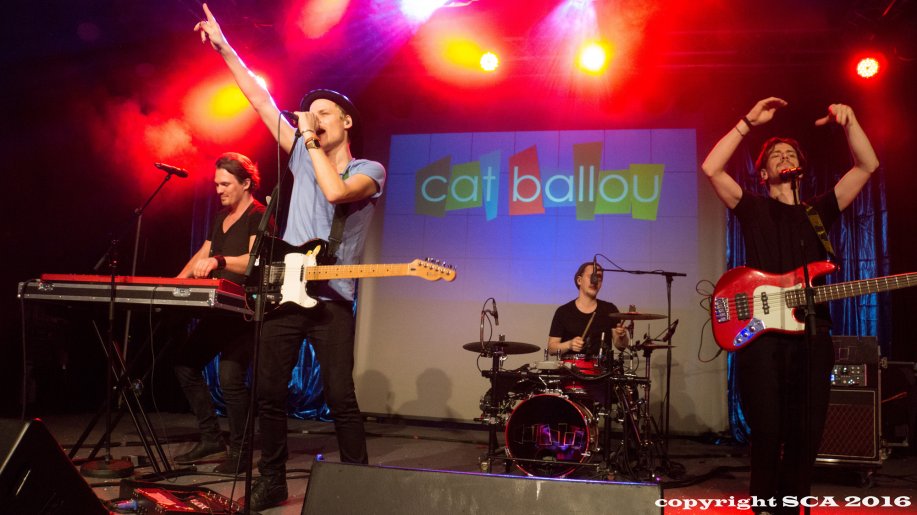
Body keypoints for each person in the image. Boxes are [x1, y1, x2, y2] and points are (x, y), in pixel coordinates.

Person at [195, 4, 386, 510]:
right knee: (269, 392)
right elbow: (260, 99)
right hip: (285, 293)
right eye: (310, 113)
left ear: (346, 121)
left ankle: (358, 483)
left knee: (340, 396)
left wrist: (307, 140)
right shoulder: (302, 153)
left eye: (324, 113)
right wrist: (224, 47)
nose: (313, 119)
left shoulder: (369, 169)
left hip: (333, 296)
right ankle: (272, 479)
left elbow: (335, 192)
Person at [701, 97, 879, 514]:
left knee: (806, 431)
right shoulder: (753, 208)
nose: (784, 157)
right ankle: (764, 505)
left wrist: (850, 123)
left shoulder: (818, 212)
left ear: (801, 168)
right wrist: (748, 122)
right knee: (768, 429)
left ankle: (793, 505)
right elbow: (711, 168)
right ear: (763, 174)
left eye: (791, 154)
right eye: (775, 155)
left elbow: (867, 165)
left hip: (812, 334)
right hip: (762, 338)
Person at [173, 152, 270, 476]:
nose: (219, 190)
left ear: (246, 183)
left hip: (245, 311)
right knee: (185, 364)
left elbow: (254, 261)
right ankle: (212, 439)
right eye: (216, 184)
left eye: (225, 184)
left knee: (230, 376)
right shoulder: (220, 217)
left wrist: (220, 261)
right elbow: (203, 252)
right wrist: (173, 284)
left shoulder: (260, 215)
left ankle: (241, 452)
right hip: (220, 309)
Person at [548, 261, 629, 360]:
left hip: (602, 368)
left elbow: (620, 346)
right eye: (592, 276)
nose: (595, 281)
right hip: (570, 368)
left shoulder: (610, 309)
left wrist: (622, 336)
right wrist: (569, 344)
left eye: (599, 278)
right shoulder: (563, 311)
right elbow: (551, 349)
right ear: (579, 280)